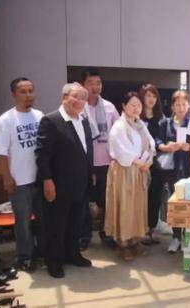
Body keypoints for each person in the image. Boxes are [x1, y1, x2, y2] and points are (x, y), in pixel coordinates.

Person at [35, 83, 94, 278]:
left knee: (75, 223)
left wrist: (90, 171)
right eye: (75, 97)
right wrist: (47, 180)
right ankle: (54, 262)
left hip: (79, 182)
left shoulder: (83, 120)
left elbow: (86, 150)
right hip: (58, 184)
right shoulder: (51, 121)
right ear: (64, 97)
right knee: (56, 225)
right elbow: (42, 155)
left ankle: (73, 255)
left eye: (83, 98)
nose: (79, 102)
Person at [0, 77, 43, 272]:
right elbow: (1, 153)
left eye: (31, 90)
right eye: (23, 91)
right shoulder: (5, 121)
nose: (28, 95)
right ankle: (25, 256)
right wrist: (7, 179)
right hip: (19, 182)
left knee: (41, 219)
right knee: (22, 222)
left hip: (39, 179)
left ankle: (40, 251)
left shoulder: (39, 116)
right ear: (13, 94)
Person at [105, 92, 155, 261]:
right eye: (132, 105)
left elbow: (150, 143)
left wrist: (148, 159)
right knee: (125, 206)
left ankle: (135, 239)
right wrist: (140, 162)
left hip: (139, 170)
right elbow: (121, 151)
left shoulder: (140, 125)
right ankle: (124, 243)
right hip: (124, 171)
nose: (136, 108)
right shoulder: (119, 126)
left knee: (137, 206)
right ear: (124, 106)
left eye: (139, 105)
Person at [79, 69, 120, 251]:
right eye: (91, 83)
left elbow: (119, 133)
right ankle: (84, 235)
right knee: (85, 201)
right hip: (85, 163)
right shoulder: (78, 107)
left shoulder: (110, 107)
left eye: (98, 83)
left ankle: (106, 233)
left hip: (107, 163)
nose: (95, 87)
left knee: (106, 201)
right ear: (83, 85)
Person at [155, 90, 190, 253]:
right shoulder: (166, 123)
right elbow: (157, 142)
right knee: (174, 203)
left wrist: (189, 146)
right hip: (171, 170)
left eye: (183, 104)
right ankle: (176, 237)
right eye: (177, 104)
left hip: (189, 168)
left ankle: (187, 236)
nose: (181, 107)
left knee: (188, 203)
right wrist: (167, 146)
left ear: (188, 105)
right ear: (172, 106)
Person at [138, 84, 165, 245]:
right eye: (148, 95)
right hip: (138, 163)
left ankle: (150, 230)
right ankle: (138, 230)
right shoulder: (136, 117)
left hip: (156, 164)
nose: (151, 99)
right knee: (139, 196)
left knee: (154, 196)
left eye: (154, 96)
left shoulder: (161, 119)